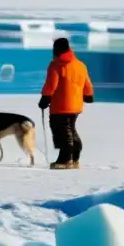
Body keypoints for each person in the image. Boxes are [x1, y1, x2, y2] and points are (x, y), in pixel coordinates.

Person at [39, 38, 94, 170]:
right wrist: (88, 95)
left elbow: (51, 84)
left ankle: (65, 160)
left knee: (63, 132)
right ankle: (74, 158)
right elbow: (87, 83)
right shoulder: (80, 65)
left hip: (60, 106)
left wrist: (45, 98)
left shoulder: (56, 65)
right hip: (76, 105)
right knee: (70, 129)